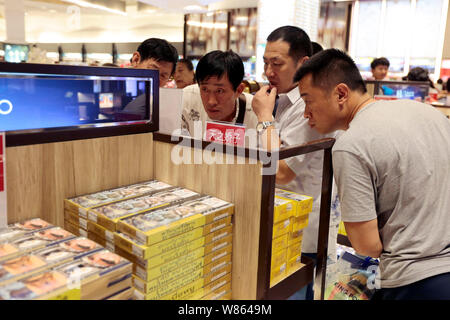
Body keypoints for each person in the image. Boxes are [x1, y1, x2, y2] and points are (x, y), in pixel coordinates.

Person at [294, 48, 450, 300]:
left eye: (308, 100)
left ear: (341, 93)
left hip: (411, 282)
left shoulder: (350, 145)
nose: (305, 113)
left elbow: (367, 245)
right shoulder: (427, 113)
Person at [251, 26, 340, 300]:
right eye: (265, 62)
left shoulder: (310, 105)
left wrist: (265, 117)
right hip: (280, 224)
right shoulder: (276, 99)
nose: (268, 71)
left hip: (305, 234)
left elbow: (279, 171)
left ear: (303, 63)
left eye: (277, 63)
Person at [181, 50, 258, 140]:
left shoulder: (257, 110)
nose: (211, 102)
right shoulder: (187, 98)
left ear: (238, 90)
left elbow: (273, 152)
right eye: (205, 89)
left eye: (219, 91)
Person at [122, 38, 178, 117]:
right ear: (136, 59)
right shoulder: (107, 81)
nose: (156, 79)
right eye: (153, 70)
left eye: (163, 76)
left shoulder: (167, 105)